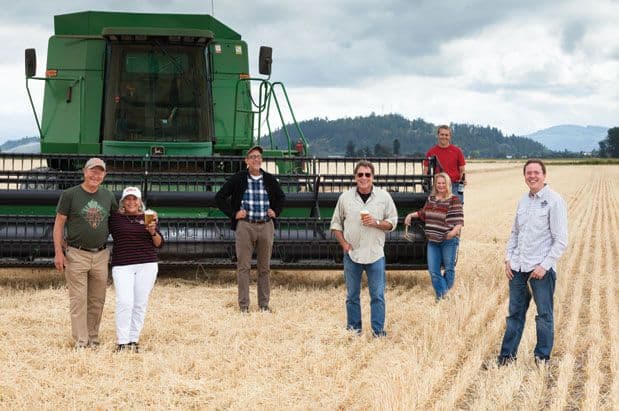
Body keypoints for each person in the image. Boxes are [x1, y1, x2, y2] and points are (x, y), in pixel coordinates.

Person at [497, 159, 568, 366]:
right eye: (529, 173)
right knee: (514, 315)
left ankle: (542, 358)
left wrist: (544, 266)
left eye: (536, 172)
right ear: (524, 176)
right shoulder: (523, 201)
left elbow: (561, 239)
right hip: (518, 268)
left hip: (540, 270)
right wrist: (508, 258)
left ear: (544, 175)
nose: (532, 176)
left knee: (544, 315)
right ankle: (506, 358)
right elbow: (515, 233)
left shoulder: (555, 201)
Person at [53, 157, 118, 348]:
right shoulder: (70, 194)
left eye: (100, 172)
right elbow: (59, 223)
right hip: (76, 254)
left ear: (104, 175)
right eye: (92, 171)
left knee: (97, 300)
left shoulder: (108, 196)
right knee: (78, 300)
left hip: (101, 254)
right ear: (84, 171)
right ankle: (81, 341)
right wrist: (58, 252)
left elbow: (117, 222)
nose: (95, 175)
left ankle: (93, 338)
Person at [330, 160, 398, 337]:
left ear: (373, 177)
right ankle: (354, 330)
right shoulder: (345, 198)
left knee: (377, 296)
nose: (364, 178)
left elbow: (393, 222)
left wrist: (375, 222)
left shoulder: (384, 197)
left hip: (375, 254)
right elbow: (336, 224)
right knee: (352, 296)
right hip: (352, 255)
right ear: (355, 177)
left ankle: (378, 332)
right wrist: (344, 244)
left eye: (367, 174)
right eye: (360, 174)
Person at [215, 145, 286, 313]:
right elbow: (219, 197)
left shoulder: (269, 179)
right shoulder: (239, 178)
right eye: (252, 156)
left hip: (266, 225)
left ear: (261, 160)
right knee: (244, 267)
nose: (256, 159)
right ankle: (244, 306)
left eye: (259, 156)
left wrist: (275, 211)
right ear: (246, 161)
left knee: (264, 268)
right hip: (245, 226)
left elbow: (281, 197)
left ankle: (263, 305)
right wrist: (234, 214)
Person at [109, 187, 163, 353]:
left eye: (135, 199)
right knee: (124, 301)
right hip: (122, 264)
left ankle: (134, 339)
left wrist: (153, 231)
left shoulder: (148, 217)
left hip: (147, 264)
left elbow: (159, 244)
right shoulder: (114, 218)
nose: (131, 202)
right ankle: (122, 341)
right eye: (128, 199)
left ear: (140, 202)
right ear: (123, 202)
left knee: (139, 303)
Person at [404, 172, 463, 300]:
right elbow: (423, 213)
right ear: (435, 185)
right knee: (434, 271)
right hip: (432, 241)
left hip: (448, 241)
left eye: (443, 183)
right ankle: (445, 296)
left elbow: (459, 221)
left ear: (447, 184)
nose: (441, 185)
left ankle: (441, 298)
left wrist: (452, 233)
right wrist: (410, 215)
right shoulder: (431, 199)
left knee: (449, 269)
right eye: (438, 183)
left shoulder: (454, 200)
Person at [423, 125, 466, 203]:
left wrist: (462, 182)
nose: (444, 137)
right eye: (442, 134)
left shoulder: (457, 151)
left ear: (450, 137)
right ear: (438, 135)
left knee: (457, 207)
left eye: (446, 135)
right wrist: (425, 183)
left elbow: (462, 170)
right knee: (436, 208)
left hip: (454, 185)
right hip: (438, 186)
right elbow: (425, 170)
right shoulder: (431, 152)